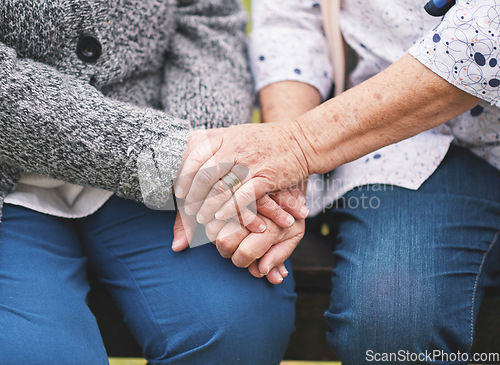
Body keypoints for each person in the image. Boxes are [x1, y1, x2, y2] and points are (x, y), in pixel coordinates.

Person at [174, 0, 500, 363]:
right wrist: (286, 174)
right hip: (395, 135)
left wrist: (297, 146)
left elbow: (485, 38)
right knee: (389, 321)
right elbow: (291, 18)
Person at [0, 1, 303, 363]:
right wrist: (184, 159)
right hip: (143, 154)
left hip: (163, 155)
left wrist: (207, 146)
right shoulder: (176, 157)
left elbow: (207, 18)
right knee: (35, 354)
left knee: (236, 324)